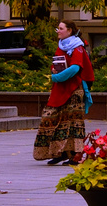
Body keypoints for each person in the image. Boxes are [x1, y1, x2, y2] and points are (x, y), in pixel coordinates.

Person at [35, 20, 93, 164]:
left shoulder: (77, 47)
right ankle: (60, 152)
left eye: (61, 28)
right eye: (58, 28)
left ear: (70, 31)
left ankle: (75, 155)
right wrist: (54, 70)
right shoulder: (61, 46)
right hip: (60, 89)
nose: (58, 31)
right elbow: (56, 63)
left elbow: (76, 68)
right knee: (53, 119)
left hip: (74, 89)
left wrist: (57, 76)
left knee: (72, 122)